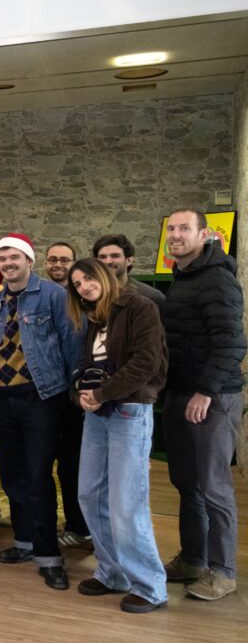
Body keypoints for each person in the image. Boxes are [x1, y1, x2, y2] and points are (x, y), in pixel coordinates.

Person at [66, 258, 168, 613]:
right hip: (98, 415)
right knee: (90, 495)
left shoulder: (140, 307)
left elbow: (147, 362)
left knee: (126, 503)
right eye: (77, 285)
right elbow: (86, 365)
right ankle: (112, 572)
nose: (83, 287)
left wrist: (102, 393)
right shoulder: (96, 318)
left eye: (87, 278)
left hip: (129, 411)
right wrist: (80, 393)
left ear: (104, 275)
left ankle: (150, 586)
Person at [0, 233, 83, 591]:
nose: (8, 263)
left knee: (39, 475)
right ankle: (24, 541)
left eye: (14, 257)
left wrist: (73, 392)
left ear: (29, 260)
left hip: (41, 398)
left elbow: (72, 344)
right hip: (2, 398)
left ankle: (48, 555)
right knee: (12, 474)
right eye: (2, 259)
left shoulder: (54, 296)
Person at [160, 209, 245, 601]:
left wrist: (206, 391)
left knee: (215, 487)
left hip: (213, 397)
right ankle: (194, 559)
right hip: (181, 394)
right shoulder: (184, 275)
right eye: (172, 229)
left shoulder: (216, 278)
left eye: (185, 228)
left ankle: (223, 572)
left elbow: (231, 342)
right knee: (187, 483)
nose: (176, 235)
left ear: (204, 234)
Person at [42, 241, 92, 548]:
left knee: (73, 465)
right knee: (47, 462)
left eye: (64, 260)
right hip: (48, 395)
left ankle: (80, 526)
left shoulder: (84, 298)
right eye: (52, 259)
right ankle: (53, 523)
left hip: (77, 395)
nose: (58, 264)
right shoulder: (41, 297)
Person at [92, 234, 166, 313]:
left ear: (129, 261)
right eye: (102, 257)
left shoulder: (151, 297)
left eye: (115, 256)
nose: (108, 261)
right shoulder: (89, 295)